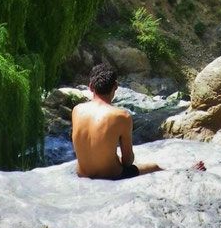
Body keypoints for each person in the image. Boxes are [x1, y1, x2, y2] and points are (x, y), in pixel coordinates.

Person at [72, 62, 205, 180]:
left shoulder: (77, 110)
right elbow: (128, 162)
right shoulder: (122, 116)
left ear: (90, 87)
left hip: (82, 173)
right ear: (116, 87)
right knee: (154, 167)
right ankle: (186, 173)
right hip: (111, 175)